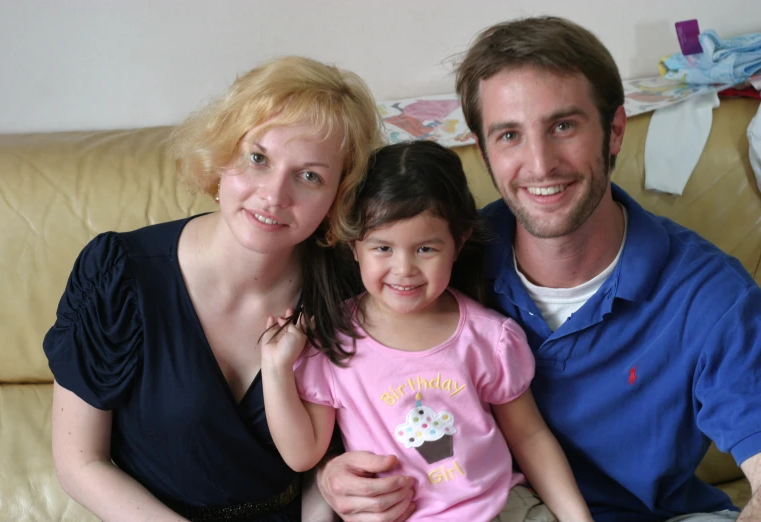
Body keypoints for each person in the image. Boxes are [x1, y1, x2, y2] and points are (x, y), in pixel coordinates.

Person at [317, 16, 761, 522]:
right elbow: (345, 388)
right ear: (483, 152)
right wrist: (330, 476)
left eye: (563, 126)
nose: (540, 163)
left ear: (614, 131)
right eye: (509, 135)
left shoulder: (711, 296)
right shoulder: (434, 258)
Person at [42, 55, 384, 522]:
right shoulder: (118, 276)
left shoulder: (352, 287)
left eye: (309, 176)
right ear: (223, 152)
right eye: (258, 158)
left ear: (336, 196)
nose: (274, 195)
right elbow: (80, 462)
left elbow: (339, 451)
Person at [261, 140, 593, 521]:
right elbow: (303, 455)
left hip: (501, 507)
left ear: (458, 242)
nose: (404, 269)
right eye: (383, 248)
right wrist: (275, 369)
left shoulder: (490, 338)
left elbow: (530, 436)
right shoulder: (335, 341)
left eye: (425, 250)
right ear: (354, 246)